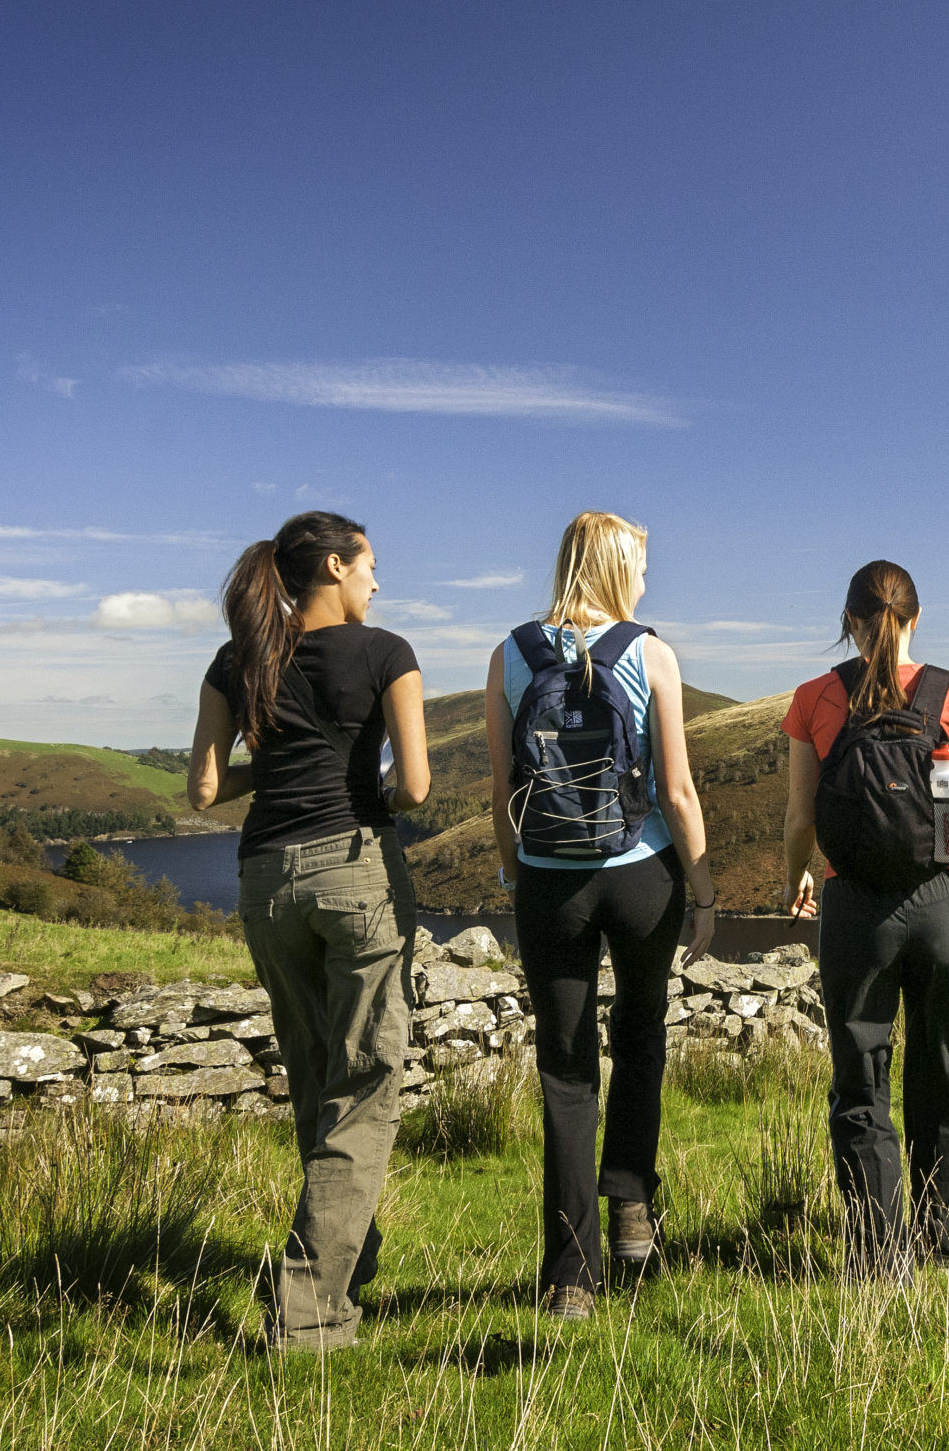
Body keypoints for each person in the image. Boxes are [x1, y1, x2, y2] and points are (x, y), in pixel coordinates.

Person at [188, 510, 428, 1355]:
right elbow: (416, 788)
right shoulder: (386, 652)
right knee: (364, 1083)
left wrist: (276, 765)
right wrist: (366, 784)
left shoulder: (237, 660)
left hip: (264, 880)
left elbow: (204, 791)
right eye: (370, 565)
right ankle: (311, 1319)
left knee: (316, 1073)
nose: (376, 581)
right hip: (355, 869)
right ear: (334, 565)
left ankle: (344, 1258)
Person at [781, 560, 949, 1280]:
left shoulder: (813, 699)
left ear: (849, 621)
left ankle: (878, 1259)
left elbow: (801, 818)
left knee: (861, 1083)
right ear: (916, 618)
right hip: (942, 906)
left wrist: (796, 876)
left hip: (854, 910)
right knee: (938, 1068)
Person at [485, 511, 716, 1321]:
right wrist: (704, 890)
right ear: (618, 569)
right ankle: (631, 1209)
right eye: (641, 567)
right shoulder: (650, 653)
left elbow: (502, 790)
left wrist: (520, 874)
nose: (646, 581)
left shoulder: (511, 653)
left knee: (566, 1068)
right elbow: (677, 790)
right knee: (641, 1038)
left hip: (551, 880)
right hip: (642, 876)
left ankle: (569, 1277)